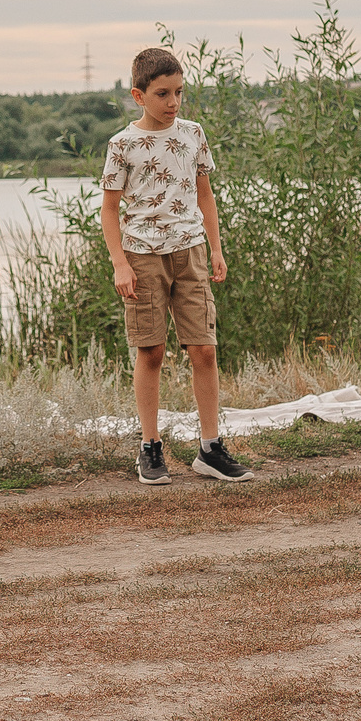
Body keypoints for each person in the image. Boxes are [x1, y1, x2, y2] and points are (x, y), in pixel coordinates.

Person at [100, 46, 250, 487]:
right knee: (152, 351)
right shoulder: (122, 145)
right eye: (163, 94)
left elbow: (205, 195)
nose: (173, 103)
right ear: (138, 95)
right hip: (143, 256)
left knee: (204, 347)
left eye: (179, 93)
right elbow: (109, 211)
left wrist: (216, 248)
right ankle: (150, 448)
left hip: (191, 250)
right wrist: (120, 265)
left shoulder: (192, 134)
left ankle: (210, 449)